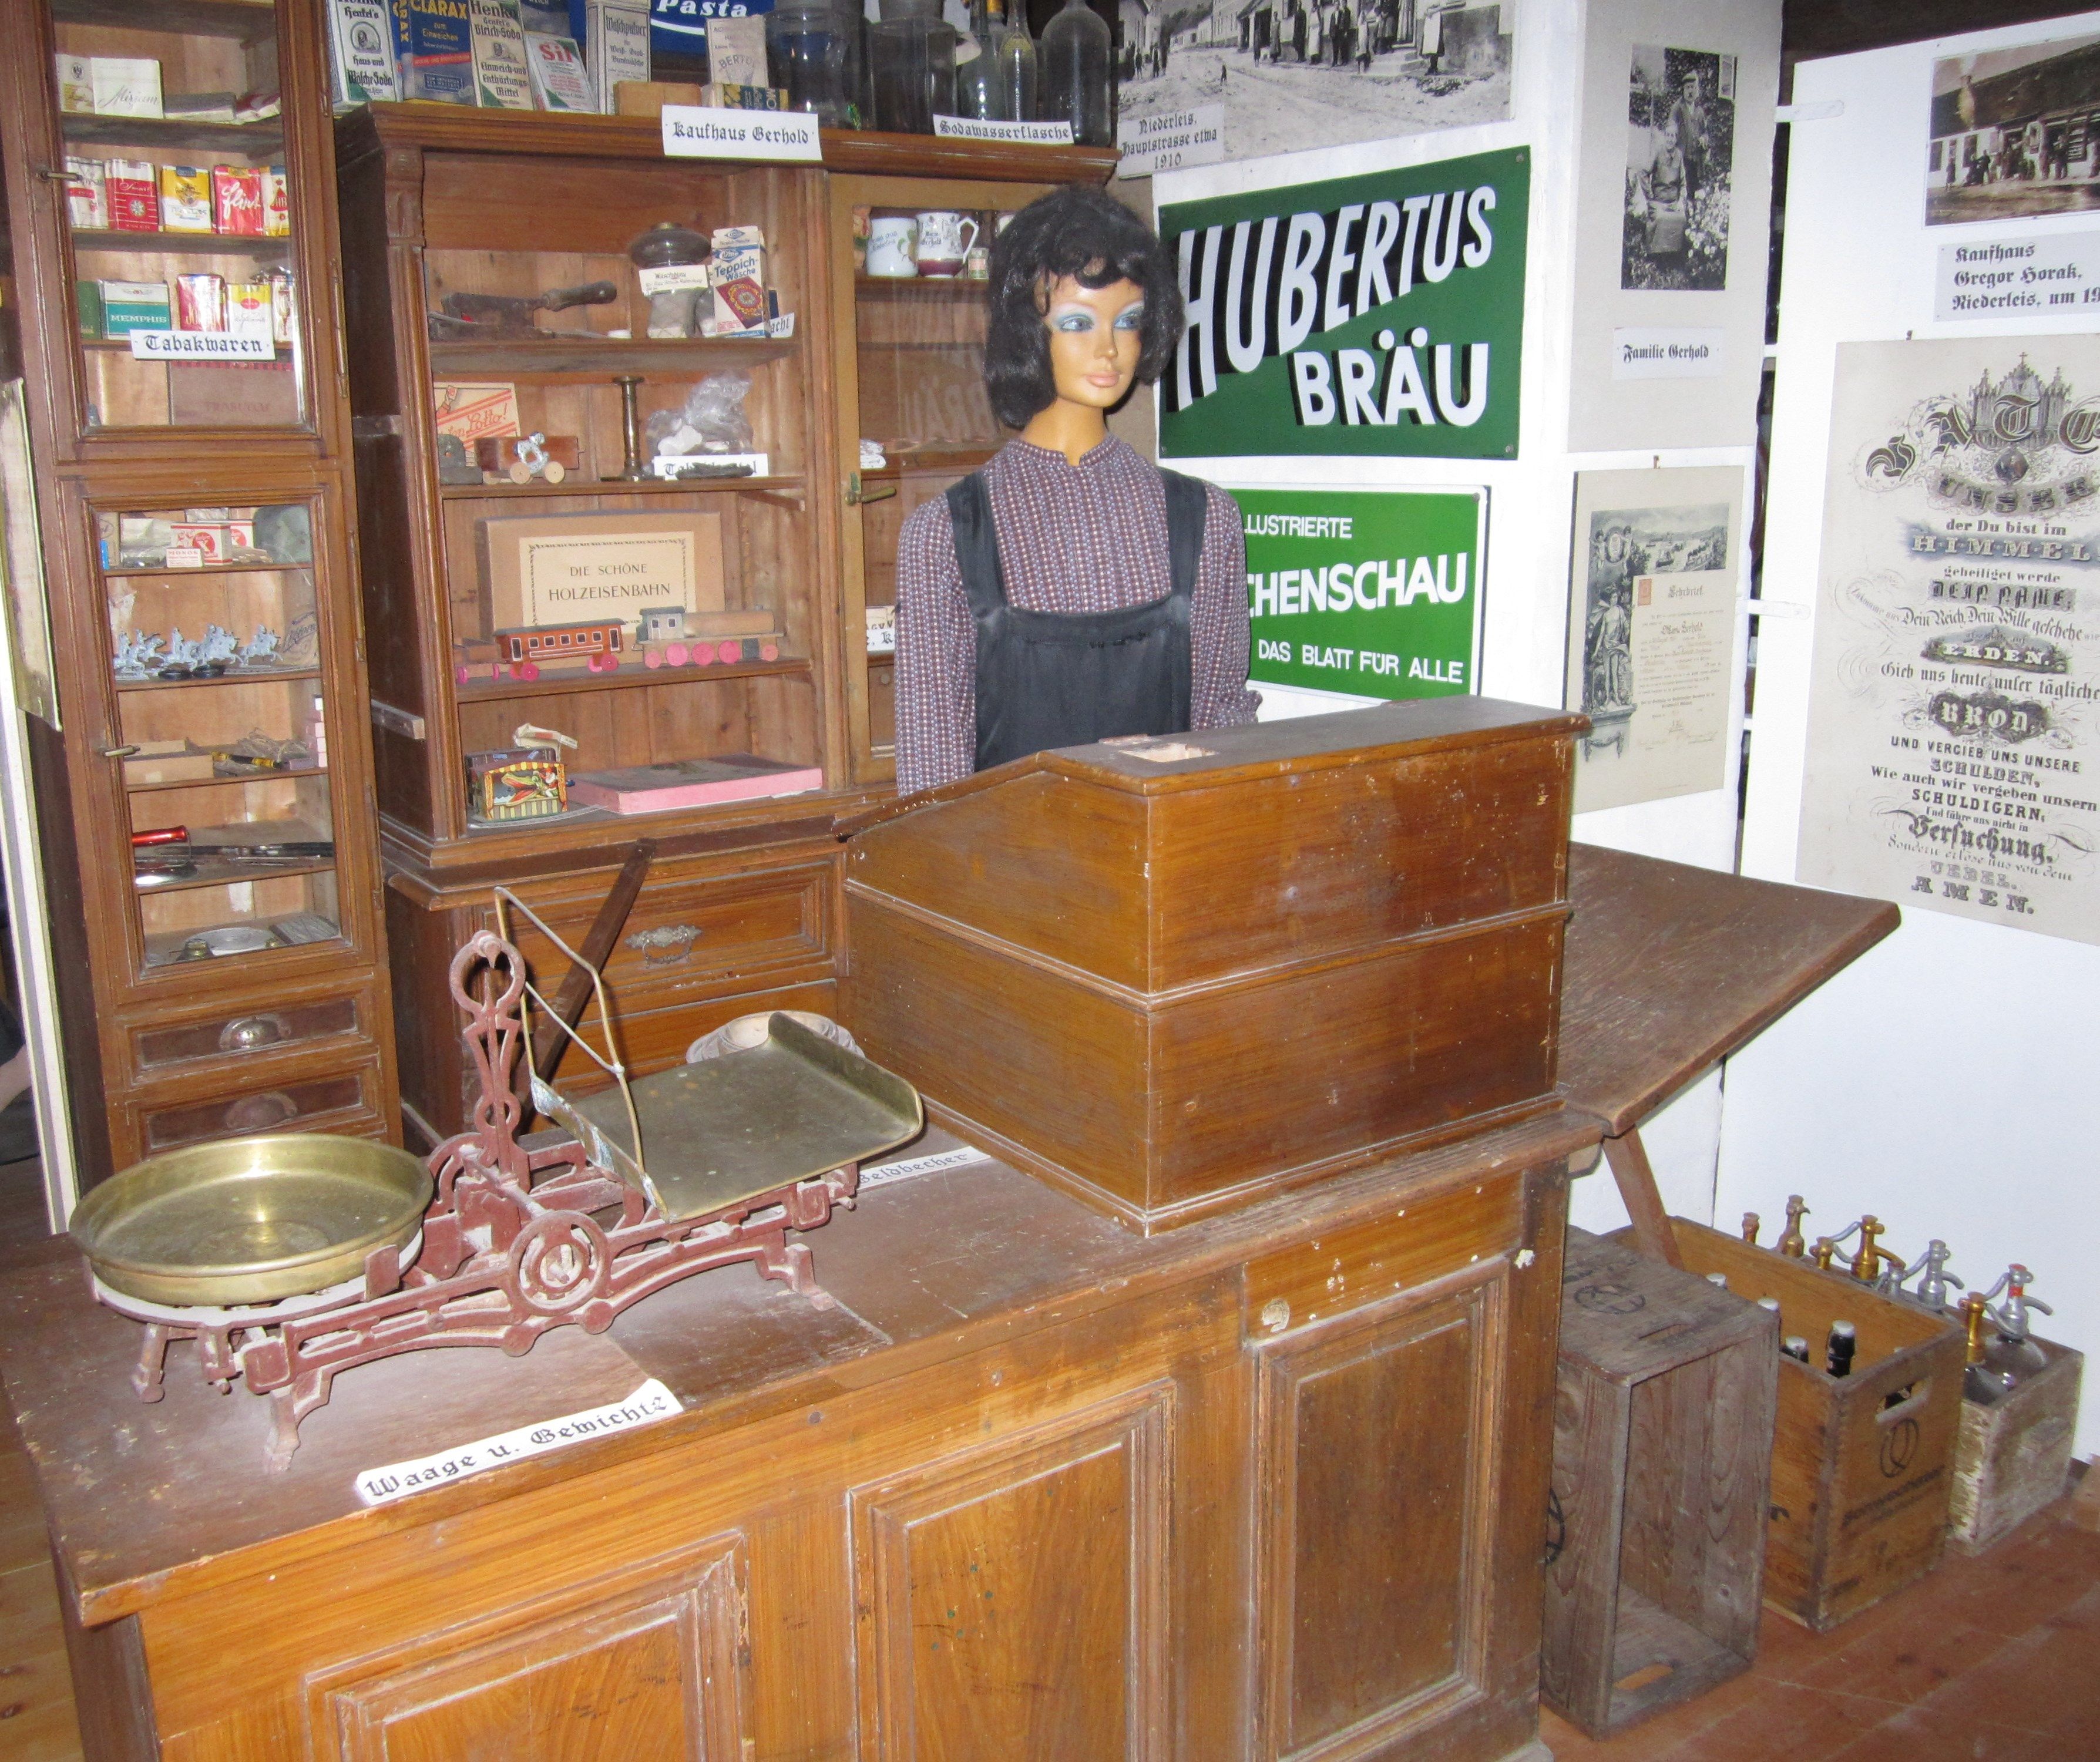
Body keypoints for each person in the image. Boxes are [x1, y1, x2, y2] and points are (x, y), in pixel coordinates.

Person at [893, 186, 1259, 795]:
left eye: (1128, 321)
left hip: (1157, 867)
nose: (1108, 348)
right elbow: (930, 773)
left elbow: (1222, 729)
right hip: (1006, 874)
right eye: (1076, 323)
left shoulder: (1205, 518)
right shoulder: (945, 534)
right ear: (1026, 332)